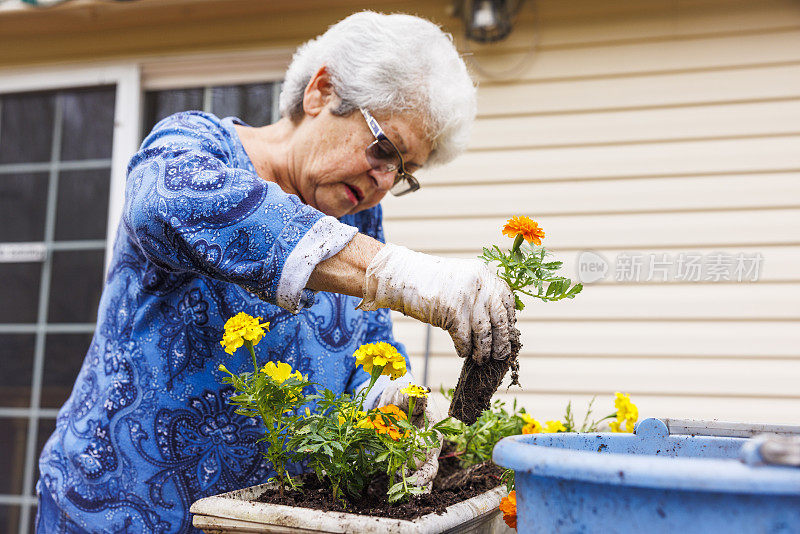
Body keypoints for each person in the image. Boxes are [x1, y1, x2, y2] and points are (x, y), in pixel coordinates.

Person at [36, 11, 515, 533]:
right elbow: (163, 204)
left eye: (403, 174)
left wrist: (388, 401)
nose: (382, 182)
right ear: (322, 91)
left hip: (259, 520)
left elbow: (364, 343)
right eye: (385, 149)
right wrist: (392, 271)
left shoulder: (358, 215)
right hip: (120, 511)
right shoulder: (194, 145)